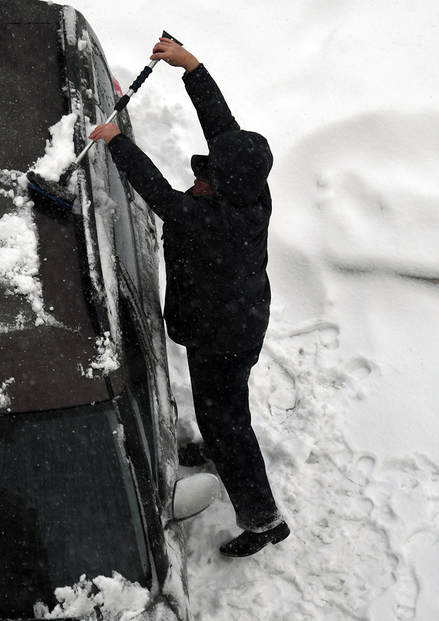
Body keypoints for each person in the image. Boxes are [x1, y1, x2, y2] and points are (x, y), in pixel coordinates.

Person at [88, 37, 289, 557]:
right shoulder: (251, 188)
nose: (204, 171)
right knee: (220, 409)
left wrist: (115, 142)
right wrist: (191, 66)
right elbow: (222, 128)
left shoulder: (213, 222)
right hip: (235, 321)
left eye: (211, 174)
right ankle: (218, 444)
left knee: (229, 422)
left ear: (224, 184)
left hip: (222, 335)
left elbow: (160, 195)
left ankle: (264, 520)